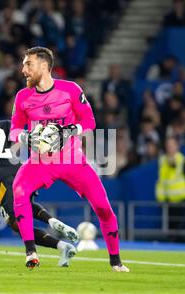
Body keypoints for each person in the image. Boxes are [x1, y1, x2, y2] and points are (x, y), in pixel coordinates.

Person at [10, 46, 129, 271]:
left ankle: (116, 262)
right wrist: (25, 136)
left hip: (73, 161)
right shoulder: (23, 96)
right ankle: (30, 252)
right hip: (40, 162)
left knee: (103, 208)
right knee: (19, 190)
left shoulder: (70, 90)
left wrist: (70, 130)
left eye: (28, 64)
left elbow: (89, 121)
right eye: (24, 64)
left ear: (44, 66)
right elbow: (14, 129)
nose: (23, 69)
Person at [0, 99, 79, 267]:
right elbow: (27, 140)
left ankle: (31, 254)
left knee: (16, 223)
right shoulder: (5, 125)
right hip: (19, 171)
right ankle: (59, 239)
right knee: (26, 206)